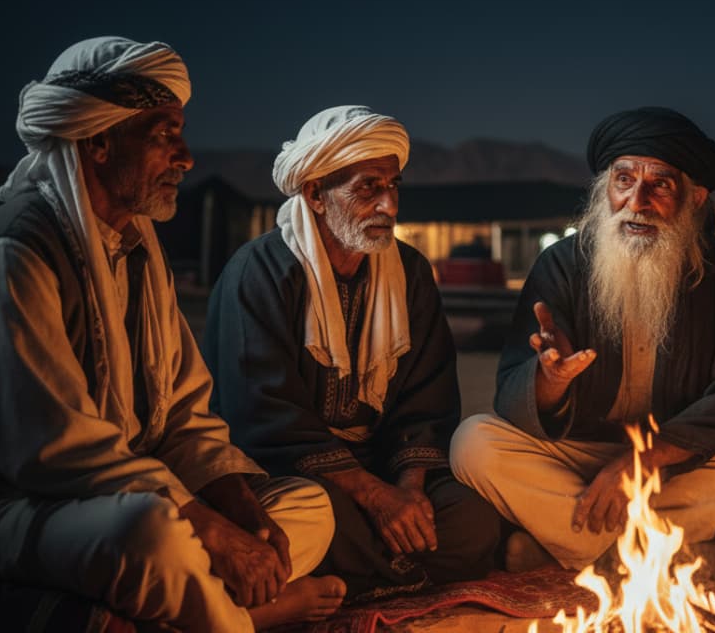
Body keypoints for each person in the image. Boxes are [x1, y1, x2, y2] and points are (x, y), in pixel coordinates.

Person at [0, 36, 344, 631]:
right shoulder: (16, 252)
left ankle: (196, 607)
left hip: (153, 493)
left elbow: (185, 415)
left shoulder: (140, 250)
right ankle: (259, 617)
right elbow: (53, 450)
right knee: (149, 535)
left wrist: (238, 510)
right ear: (97, 141)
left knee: (306, 507)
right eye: (165, 134)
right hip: (25, 507)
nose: (187, 156)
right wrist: (204, 524)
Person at [450, 106, 715, 583]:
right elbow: (511, 393)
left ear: (696, 198)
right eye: (623, 180)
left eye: (660, 184)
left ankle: (574, 551)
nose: (638, 201)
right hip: (581, 460)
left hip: (678, 461)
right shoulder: (561, 265)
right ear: (604, 190)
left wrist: (641, 460)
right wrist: (550, 381)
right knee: (472, 442)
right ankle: (683, 561)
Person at [205, 105, 499, 599]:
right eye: (368, 188)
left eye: (393, 186)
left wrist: (407, 489)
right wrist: (373, 496)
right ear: (316, 194)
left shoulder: (409, 270)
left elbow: (427, 397)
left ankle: (351, 576)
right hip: (295, 471)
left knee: (473, 519)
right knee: (320, 520)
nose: (389, 205)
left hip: (384, 462)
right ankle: (393, 569)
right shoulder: (257, 272)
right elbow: (262, 415)